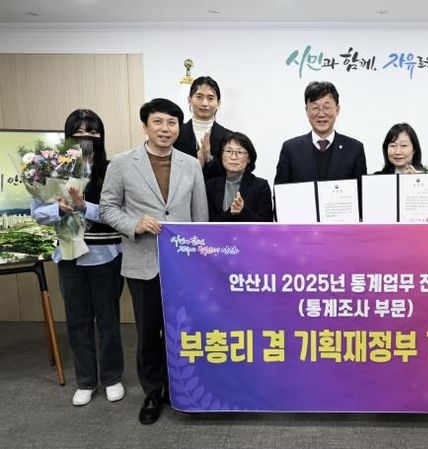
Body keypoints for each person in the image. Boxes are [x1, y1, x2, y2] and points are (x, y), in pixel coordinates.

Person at [100, 98, 209, 425]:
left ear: (178, 128)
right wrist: (134, 224)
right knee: (148, 332)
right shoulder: (122, 163)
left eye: (172, 123)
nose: (165, 129)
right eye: (158, 122)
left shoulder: (190, 164)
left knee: (183, 330)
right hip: (143, 261)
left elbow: (200, 217)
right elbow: (107, 208)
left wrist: (200, 261)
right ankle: (152, 392)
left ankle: (182, 390)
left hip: (183, 266)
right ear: (145, 126)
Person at [31, 109, 125, 406]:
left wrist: (86, 207)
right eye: (79, 131)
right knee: (77, 321)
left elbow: (119, 213)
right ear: (68, 136)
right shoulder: (52, 169)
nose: (86, 136)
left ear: (101, 135)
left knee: (108, 320)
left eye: (92, 131)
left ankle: (112, 377)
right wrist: (58, 209)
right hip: (70, 257)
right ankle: (86, 381)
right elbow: (37, 213)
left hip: (106, 256)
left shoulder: (112, 169)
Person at [274, 81, 367, 184]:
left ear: (337, 109)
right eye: (315, 108)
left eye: (327, 108)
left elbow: (361, 191)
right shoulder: (290, 149)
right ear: (307, 110)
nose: (321, 114)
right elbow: (280, 191)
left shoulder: (354, 149)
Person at [205, 132, 273, 222]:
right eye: (229, 151)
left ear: (249, 158)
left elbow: (267, 224)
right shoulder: (210, 186)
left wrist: (243, 211)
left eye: (240, 152)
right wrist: (231, 213)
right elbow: (206, 222)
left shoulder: (260, 186)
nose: (233, 157)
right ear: (221, 156)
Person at [174, 76, 232, 179]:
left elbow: (232, 173)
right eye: (199, 97)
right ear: (189, 100)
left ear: (218, 103)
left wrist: (209, 159)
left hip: (216, 189)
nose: (204, 103)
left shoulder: (229, 137)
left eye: (210, 98)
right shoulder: (176, 133)